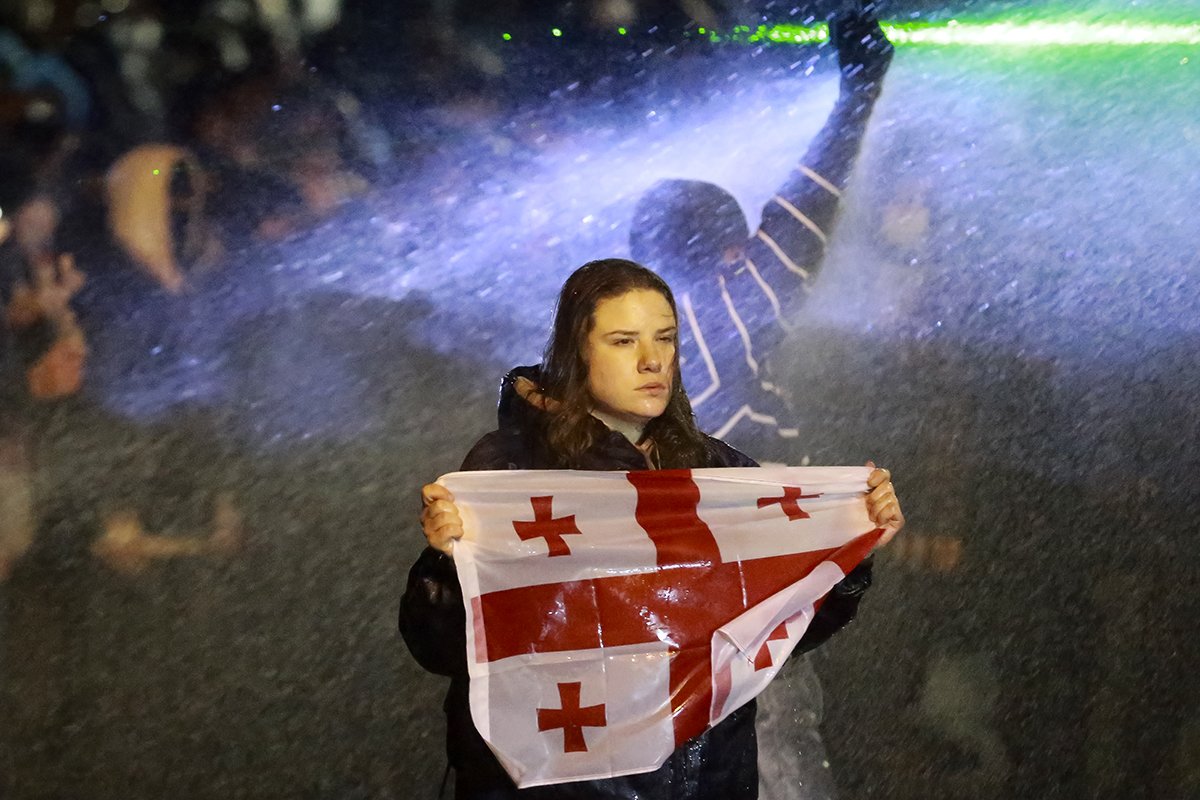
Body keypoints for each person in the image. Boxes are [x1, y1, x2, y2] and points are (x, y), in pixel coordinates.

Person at [400, 258, 904, 799]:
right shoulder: (510, 472)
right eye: (623, 341)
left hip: (703, 781)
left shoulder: (719, 474)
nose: (652, 360)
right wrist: (445, 563)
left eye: (665, 338)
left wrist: (852, 545)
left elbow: (776, 633)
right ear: (576, 352)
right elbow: (445, 649)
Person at [630, 8, 893, 443]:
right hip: (751, 483)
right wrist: (859, 88)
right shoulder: (728, 304)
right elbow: (809, 197)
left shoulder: (602, 338)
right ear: (732, 254)